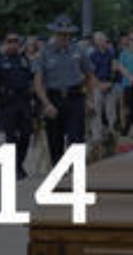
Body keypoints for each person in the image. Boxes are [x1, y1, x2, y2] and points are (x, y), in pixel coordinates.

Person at [33, 15, 92, 165]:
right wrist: (46, 104)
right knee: (55, 141)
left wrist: (89, 99)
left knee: (77, 139)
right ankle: (59, 178)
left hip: (75, 97)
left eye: (67, 34)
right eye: (61, 34)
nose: (64, 37)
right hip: (53, 99)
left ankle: (76, 176)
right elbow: (38, 82)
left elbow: (89, 75)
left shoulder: (79, 50)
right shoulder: (44, 53)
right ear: (54, 33)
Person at [0, 31, 35, 178]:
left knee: (26, 135)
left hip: (24, 101)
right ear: (5, 44)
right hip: (7, 102)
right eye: (10, 41)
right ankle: (14, 168)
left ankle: (19, 164)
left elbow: (32, 80)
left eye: (15, 41)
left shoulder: (25, 61)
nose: (13, 44)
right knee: (11, 137)